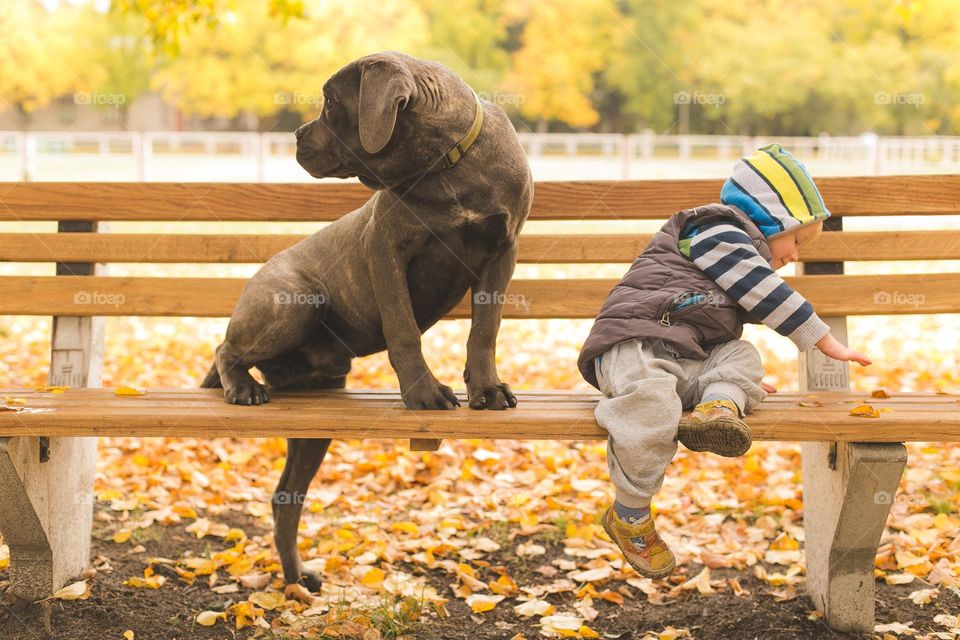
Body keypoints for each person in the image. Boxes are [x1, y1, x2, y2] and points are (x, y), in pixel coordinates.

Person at [576, 143, 872, 578]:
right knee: (651, 410)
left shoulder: (737, 255)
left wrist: (731, 380)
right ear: (771, 218)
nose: (794, 255)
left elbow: (738, 319)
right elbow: (763, 291)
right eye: (795, 240)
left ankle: (719, 407)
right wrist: (822, 339)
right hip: (635, 347)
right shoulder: (717, 230)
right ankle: (630, 515)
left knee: (742, 356)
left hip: (684, 358)